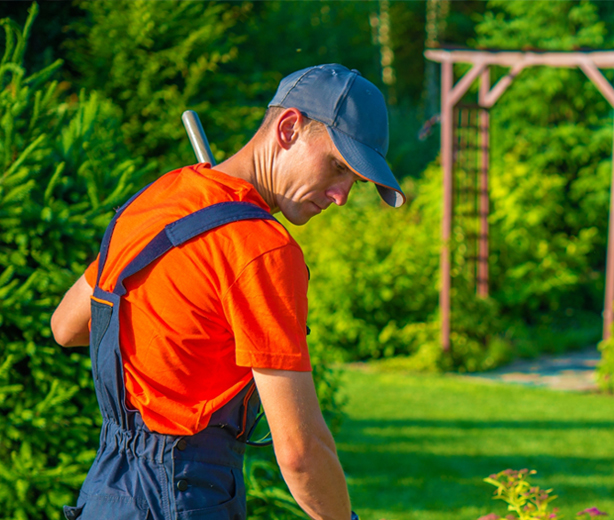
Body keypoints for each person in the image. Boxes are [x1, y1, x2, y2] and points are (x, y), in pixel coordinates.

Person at [49, 64, 403, 520]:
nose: (341, 196)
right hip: (185, 495)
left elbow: (69, 324)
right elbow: (300, 452)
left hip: (108, 490)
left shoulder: (161, 198)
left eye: (355, 181)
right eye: (337, 166)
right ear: (289, 127)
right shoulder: (261, 250)